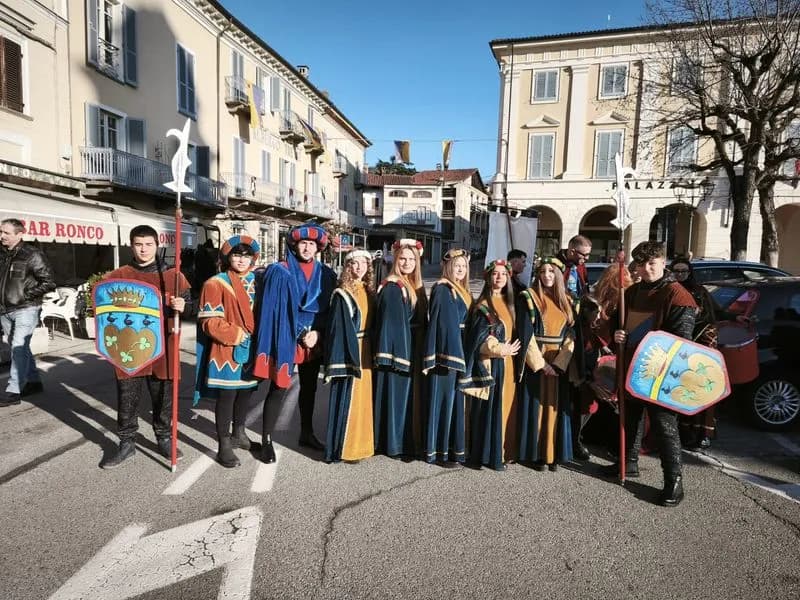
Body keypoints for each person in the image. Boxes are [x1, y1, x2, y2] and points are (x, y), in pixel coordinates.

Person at [609, 241, 697, 507]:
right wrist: (618, 334)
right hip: (633, 367)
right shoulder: (632, 292)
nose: (646, 269)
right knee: (631, 416)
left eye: (652, 263)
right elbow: (619, 325)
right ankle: (629, 462)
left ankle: (674, 481)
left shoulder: (678, 295)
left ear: (662, 262)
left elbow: (681, 340)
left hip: (662, 372)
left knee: (664, 426)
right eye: (641, 264)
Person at [100, 225, 191, 468]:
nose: (143, 249)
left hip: (164, 345)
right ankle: (127, 443)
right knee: (127, 397)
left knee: (163, 397)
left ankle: (163, 437)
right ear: (132, 245)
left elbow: (190, 308)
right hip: (129, 346)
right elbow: (103, 307)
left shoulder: (173, 276)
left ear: (157, 245)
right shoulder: (118, 276)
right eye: (139, 244)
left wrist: (183, 305)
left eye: (148, 244)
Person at [254, 223, 337, 456]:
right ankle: (266, 440)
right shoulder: (280, 271)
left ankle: (306, 433)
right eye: (303, 243)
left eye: (311, 244)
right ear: (294, 245)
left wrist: (318, 333)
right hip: (286, 336)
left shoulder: (327, 274)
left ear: (318, 248)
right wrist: (300, 333)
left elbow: (329, 311)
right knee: (279, 387)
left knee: (309, 388)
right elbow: (274, 310)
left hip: (314, 339)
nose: (307, 248)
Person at [195, 236, 260, 468]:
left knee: (246, 394)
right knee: (227, 397)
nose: (241, 260)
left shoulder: (258, 281)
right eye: (236, 255)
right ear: (227, 257)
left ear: (253, 258)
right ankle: (224, 444)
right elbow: (209, 321)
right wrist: (237, 334)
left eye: (246, 255)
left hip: (252, 350)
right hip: (226, 350)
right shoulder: (216, 283)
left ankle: (239, 434)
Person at [516, 257, 576, 471]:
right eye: (543, 271)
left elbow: (571, 335)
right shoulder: (529, 297)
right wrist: (540, 364)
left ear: (559, 275)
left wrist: (559, 364)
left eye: (551, 271)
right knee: (536, 407)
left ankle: (554, 453)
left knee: (556, 408)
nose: (547, 275)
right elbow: (525, 333)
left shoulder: (569, 300)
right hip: (537, 362)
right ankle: (536, 454)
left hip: (559, 362)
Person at [460, 260, 521, 471]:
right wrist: (500, 349)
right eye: (495, 274)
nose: (499, 278)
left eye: (503, 274)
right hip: (493, 366)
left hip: (510, 365)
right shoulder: (483, 306)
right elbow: (478, 340)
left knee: (506, 410)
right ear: (488, 277)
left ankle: (505, 451)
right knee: (490, 411)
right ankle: (489, 455)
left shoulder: (511, 304)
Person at [373, 239, 427, 458]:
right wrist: (401, 355)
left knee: (408, 396)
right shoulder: (393, 286)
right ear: (395, 260)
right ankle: (394, 443)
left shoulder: (414, 285)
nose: (407, 262)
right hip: (401, 350)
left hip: (414, 344)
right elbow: (393, 325)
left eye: (412, 259)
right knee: (397, 395)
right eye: (403, 258)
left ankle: (406, 439)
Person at [323, 249, 376, 463]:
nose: (359, 267)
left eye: (363, 263)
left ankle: (365, 445)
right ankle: (347, 449)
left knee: (365, 401)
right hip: (352, 351)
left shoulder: (368, 291)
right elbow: (337, 330)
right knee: (351, 400)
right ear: (347, 267)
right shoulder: (342, 294)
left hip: (367, 349)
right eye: (354, 264)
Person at [422, 248, 473, 466]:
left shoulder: (462, 289)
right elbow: (445, 325)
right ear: (447, 267)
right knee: (444, 403)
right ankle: (441, 452)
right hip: (448, 355)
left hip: (461, 349)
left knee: (456, 403)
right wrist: (454, 356)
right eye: (456, 266)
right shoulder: (443, 289)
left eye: (463, 266)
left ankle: (455, 449)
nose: (460, 269)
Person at [0, 218, 56, 406]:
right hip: (4, 310)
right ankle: (33, 381)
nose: (1, 236)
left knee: (17, 347)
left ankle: (13, 390)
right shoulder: (2, 254)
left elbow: (48, 282)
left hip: (26, 308)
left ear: (19, 234)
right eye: (1, 232)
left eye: (6, 233)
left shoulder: (32, 254)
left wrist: (25, 295)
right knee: (21, 347)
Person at [670, 256, 719, 449]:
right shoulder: (670, 291)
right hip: (679, 348)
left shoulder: (700, 292)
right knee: (680, 390)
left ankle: (703, 434)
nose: (680, 275)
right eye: (677, 271)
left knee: (703, 389)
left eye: (684, 271)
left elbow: (717, 312)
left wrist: (737, 316)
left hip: (701, 349)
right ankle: (683, 433)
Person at [557, 234, 593, 460]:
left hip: (578, 334)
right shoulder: (555, 266)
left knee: (577, 389)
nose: (586, 259)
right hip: (557, 334)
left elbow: (584, 294)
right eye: (583, 255)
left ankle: (574, 439)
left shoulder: (580, 269)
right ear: (571, 250)